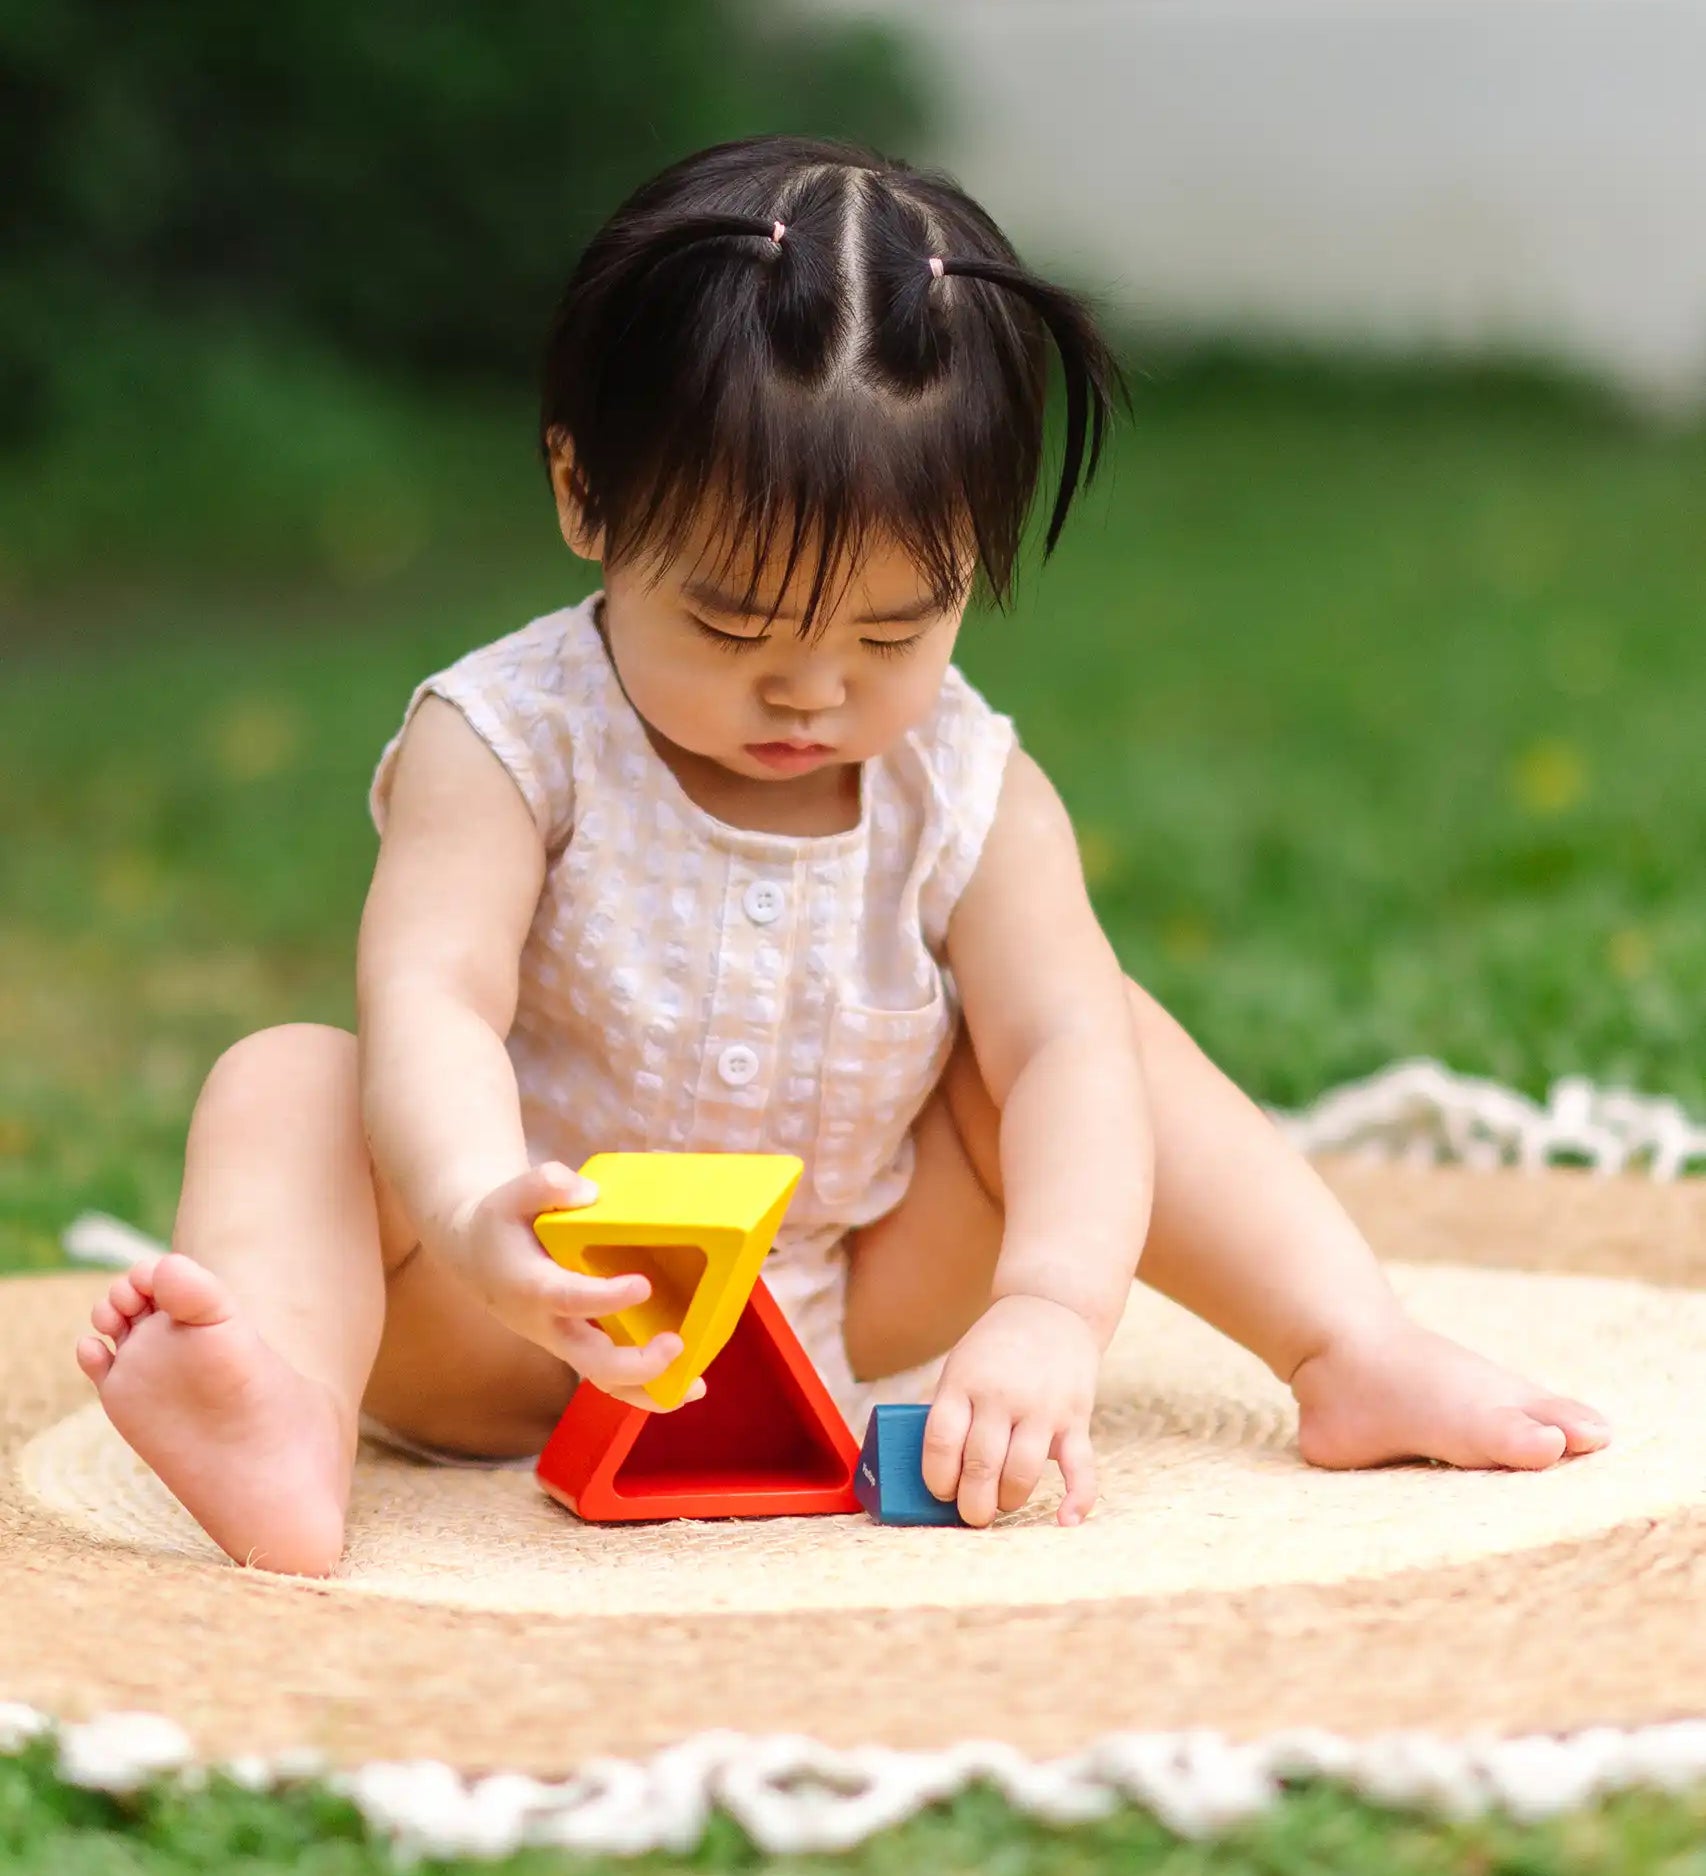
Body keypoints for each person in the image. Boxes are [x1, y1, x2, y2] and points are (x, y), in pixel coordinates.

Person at [73, 134, 1611, 1577]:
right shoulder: (507, 742)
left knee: (1098, 1033)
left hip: (840, 1293)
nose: (811, 689)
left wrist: (1049, 1309)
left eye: (894, 628)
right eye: (733, 624)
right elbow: (432, 999)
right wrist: (480, 1214)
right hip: (514, 1319)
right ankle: (281, 1401)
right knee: (285, 1077)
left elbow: (1064, 1051)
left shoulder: (964, 781)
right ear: (583, 495)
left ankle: (1348, 1349)